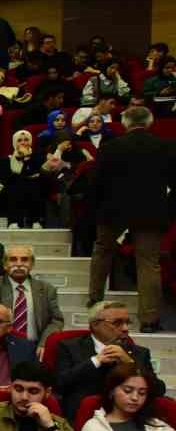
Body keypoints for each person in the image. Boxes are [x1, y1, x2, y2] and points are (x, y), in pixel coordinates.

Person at [88, 107, 174, 331]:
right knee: (148, 264)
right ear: (150, 122)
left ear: (124, 123)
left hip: (112, 211)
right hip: (152, 212)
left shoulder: (109, 147)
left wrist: (96, 211)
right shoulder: (165, 147)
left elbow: (96, 183)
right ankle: (149, 320)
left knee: (102, 251)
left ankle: (94, 300)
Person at [53, 301, 153, 422]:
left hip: (129, 419)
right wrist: (95, 361)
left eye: (127, 323)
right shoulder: (69, 347)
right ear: (95, 325)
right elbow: (59, 384)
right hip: (82, 418)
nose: (125, 328)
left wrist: (130, 363)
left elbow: (158, 389)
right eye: (117, 323)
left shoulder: (139, 353)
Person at [0, 244, 63, 344]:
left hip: (35, 347)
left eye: (24, 259)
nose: (19, 264)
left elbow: (56, 321)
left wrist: (45, 342)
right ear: (5, 265)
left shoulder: (47, 289)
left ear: (32, 264)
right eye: (13, 259)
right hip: (1, 345)